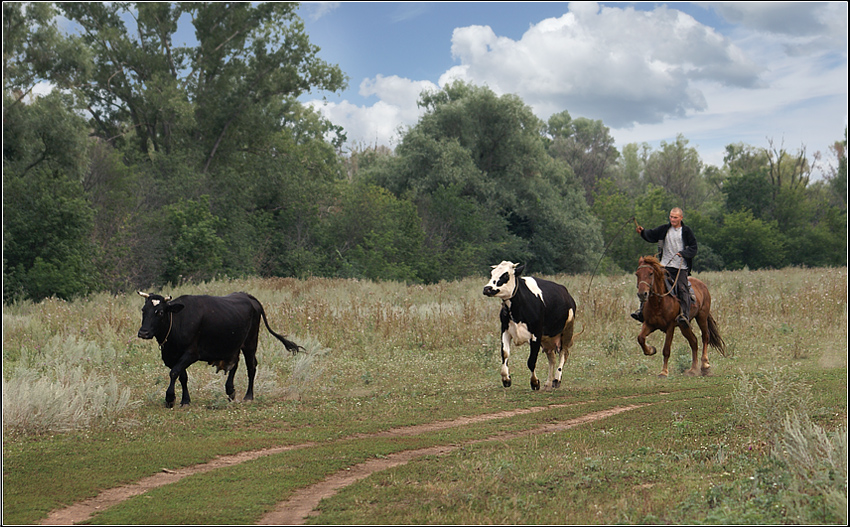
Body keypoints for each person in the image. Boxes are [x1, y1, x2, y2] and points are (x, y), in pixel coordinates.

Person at [631, 207, 698, 328]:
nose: (672, 219)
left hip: (680, 267)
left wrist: (683, 253)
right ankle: (641, 312)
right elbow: (651, 234)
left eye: (675, 217)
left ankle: (684, 315)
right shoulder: (664, 229)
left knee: (683, 289)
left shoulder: (687, 231)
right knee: (649, 284)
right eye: (671, 217)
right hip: (664, 265)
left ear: (681, 218)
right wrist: (642, 232)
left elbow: (694, 247)